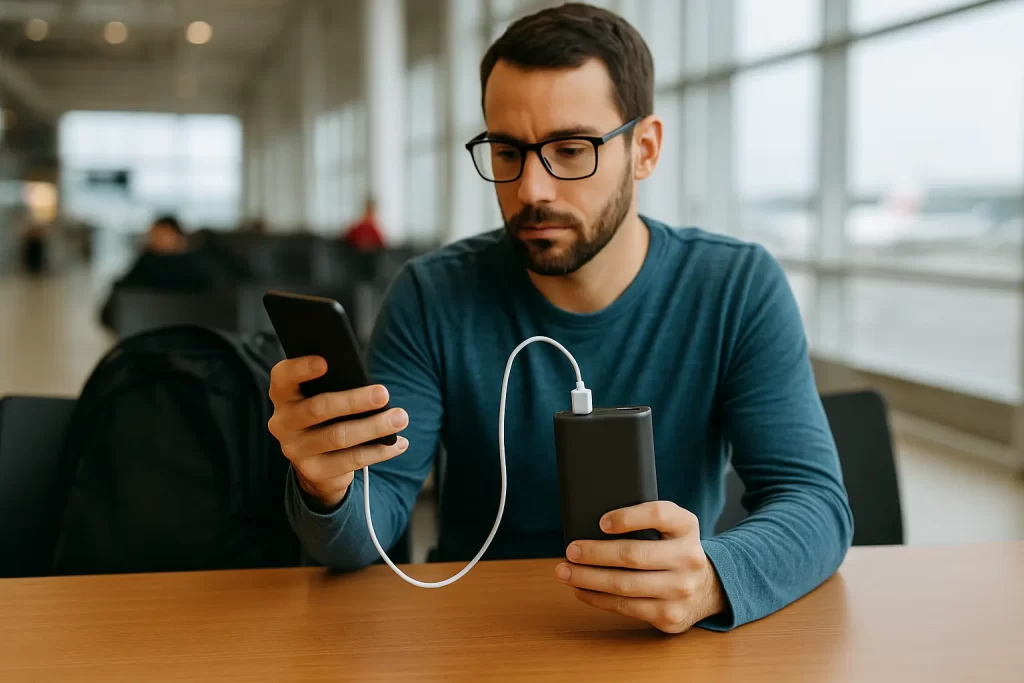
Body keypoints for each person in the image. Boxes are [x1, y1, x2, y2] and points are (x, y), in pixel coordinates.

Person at [269, 3, 853, 634]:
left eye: (572, 150)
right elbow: (364, 536)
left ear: (645, 148)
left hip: (658, 641)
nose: (532, 190)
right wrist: (326, 486)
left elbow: (816, 505)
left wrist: (712, 576)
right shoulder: (431, 295)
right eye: (507, 152)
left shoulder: (734, 286)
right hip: (476, 635)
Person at [98, 215, 232, 331]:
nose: (155, 241)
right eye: (153, 236)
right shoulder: (204, 262)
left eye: (161, 236)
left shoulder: (149, 263)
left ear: (178, 236)